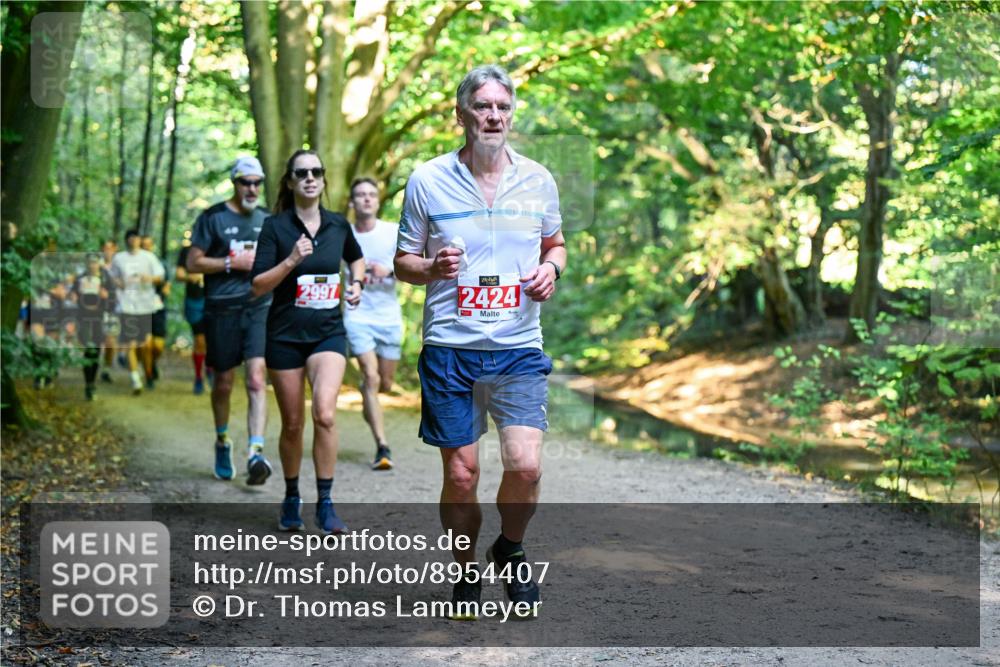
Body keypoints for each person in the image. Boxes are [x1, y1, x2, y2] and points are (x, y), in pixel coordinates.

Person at [394, 64, 566, 619]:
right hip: (450, 347)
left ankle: (509, 547)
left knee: (526, 466)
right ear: (461, 113)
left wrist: (552, 271)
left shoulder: (538, 179)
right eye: (483, 106)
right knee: (462, 473)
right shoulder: (427, 180)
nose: (493, 116)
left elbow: (555, 244)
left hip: (518, 346)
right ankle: (467, 569)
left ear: (511, 114)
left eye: (502, 107)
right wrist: (430, 266)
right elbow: (402, 263)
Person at [251, 149, 364, 535]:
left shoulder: (338, 225)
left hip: (328, 333)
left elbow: (356, 260)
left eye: (316, 171)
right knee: (294, 423)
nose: (310, 178)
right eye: (302, 173)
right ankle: (291, 495)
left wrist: (358, 284)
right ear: (290, 182)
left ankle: (326, 502)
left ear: (324, 179)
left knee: (326, 414)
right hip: (284, 336)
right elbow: (257, 285)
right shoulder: (275, 228)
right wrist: (290, 262)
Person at [187, 156, 273, 484]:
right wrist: (229, 263)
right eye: (245, 182)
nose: (251, 188)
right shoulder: (213, 218)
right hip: (221, 308)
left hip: (258, 306)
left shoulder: (267, 219)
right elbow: (193, 263)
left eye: (257, 183)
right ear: (234, 183)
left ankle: (255, 452)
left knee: (255, 377)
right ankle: (222, 440)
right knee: (223, 382)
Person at [345, 177, 404, 470]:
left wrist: (390, 270)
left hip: (389, 317)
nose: (366, 199)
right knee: (371, 377)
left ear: (378, 201)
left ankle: (369, 399)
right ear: (352, 202)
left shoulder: (392, 232)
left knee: (384, 383)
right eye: (360, 195)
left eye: (371, 194)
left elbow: (414, 267)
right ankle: (383, 446)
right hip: (357, 315)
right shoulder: (344, 235)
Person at [110, 229, 165, 395]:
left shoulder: (148, 257)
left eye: (136, 238)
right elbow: (112, 277)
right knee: (130, 344)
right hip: (126, 305)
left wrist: (147, 278)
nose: (134, 241)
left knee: (147, 346)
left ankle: (148, 372)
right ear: (127, 240)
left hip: (146, 306)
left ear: (140, 240)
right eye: (131, 238)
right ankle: (135, 379)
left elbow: (160, 276)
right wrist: (120, 283)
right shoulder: (119, 258)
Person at [72, 253, 113, 400]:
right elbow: (72, 298)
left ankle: (91, 383)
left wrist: (106, 297)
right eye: (90, 262)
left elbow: (112, 302)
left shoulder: (106, 280)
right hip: (83, 318)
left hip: (99, 318)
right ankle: (88, 383)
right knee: (88, 349)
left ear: (99, 264)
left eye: (95, 262)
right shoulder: (79, 279)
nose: (92, 265)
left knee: (95, 351)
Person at [175, 234, 208, 395]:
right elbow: (179, 274)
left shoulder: (218, 247)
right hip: (194, 301)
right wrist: (192, 277)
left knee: (214, 339)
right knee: (200, 340)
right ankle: (198, 377)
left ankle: (210, 369)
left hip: (215, 301)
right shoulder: (187, 251)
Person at [141, 235, 170, 389]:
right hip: (140, 309)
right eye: (143, 245)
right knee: (146, 344)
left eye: (148, 244)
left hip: (158, 307)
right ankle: (148, 375)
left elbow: (167, 286)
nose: (146, 247)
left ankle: (153, 362)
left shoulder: (161, 264)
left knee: (157, 346)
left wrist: (162, 295)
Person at [99, 239, 120, 384]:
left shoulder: (120, 266)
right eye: (105, 248)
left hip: (113, 308)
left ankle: (106, 368)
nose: (108, 251)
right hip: (96, 309)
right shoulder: (96, 267)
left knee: (110, 340)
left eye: (110, 248)